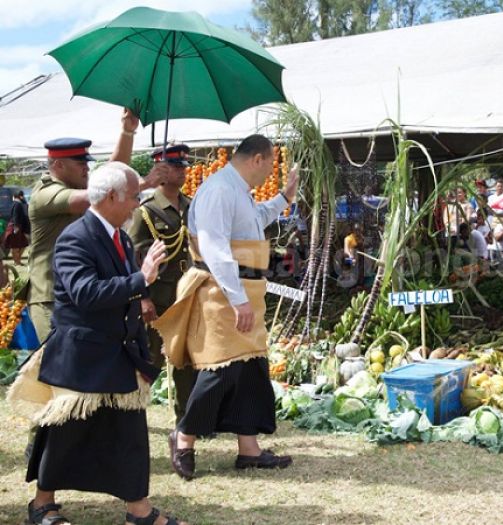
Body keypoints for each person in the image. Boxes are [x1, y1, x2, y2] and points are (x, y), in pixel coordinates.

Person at [9, 162, 187, 525]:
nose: (138, 204)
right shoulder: (75, 238)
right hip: (82, 355)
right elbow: (85, 293)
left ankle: (139, 511)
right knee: (65, 434)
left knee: (130, 433)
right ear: (111, 197)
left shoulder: (120, 237)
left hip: (118, 352)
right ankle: (42, 505)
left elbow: (124, 292)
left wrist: (143, 284)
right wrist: (141, 278)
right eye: (135, 196)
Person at [153, 135, 298, 480]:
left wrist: (284, 198)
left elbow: (252, 221)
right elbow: (215, 247)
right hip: (222, 290)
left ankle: (249, 450)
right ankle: (184, 437)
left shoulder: (236, 189)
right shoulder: (219, 189)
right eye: (269, 166)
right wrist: (237, 299)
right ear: (258, 159)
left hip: (245, 287)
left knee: (250, 369)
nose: (268, 176)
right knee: (220, 369)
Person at [27, 108, 163, 343]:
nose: (87, 168)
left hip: (87, 291)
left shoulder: (103, 196)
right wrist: (142, 184)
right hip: (51, 297)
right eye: (79, 163)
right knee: (59, 367)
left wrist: (127, 132)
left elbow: (111, 177)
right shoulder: (44, 194)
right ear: (58, 165)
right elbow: (100, 193)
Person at [127, 144, 196, 424]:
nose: (182, 172)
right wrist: (142, 298)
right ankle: (132, 416)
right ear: (161, 171)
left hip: (186, 295)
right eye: (175, 167)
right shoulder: (146, 211)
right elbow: (134, 258)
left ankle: (188, 420)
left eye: (183, 167)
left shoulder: (191, 205)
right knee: (149, 360)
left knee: (186, 359)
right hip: (156, 298)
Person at [4, 190, 31, 265]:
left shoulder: (19, 204)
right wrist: (16, 227)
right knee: (15, 246)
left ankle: (17, 260)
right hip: (15, 226)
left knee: (23, 244)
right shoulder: (17, 204)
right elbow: (15, 216)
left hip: (18, 227)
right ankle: (17, 261)